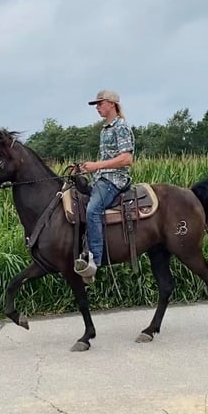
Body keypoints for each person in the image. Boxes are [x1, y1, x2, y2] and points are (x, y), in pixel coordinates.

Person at [77, 89, 135, 279]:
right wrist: (87, 169)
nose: (98, 108)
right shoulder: (105, 129)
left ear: (112, 104)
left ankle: (95, 260)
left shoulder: (121, 127)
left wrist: (97, 166)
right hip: (102, 178)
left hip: (115, 180)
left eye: (100, 104)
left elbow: (126, 159)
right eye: (97, 105)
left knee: (92, 210)